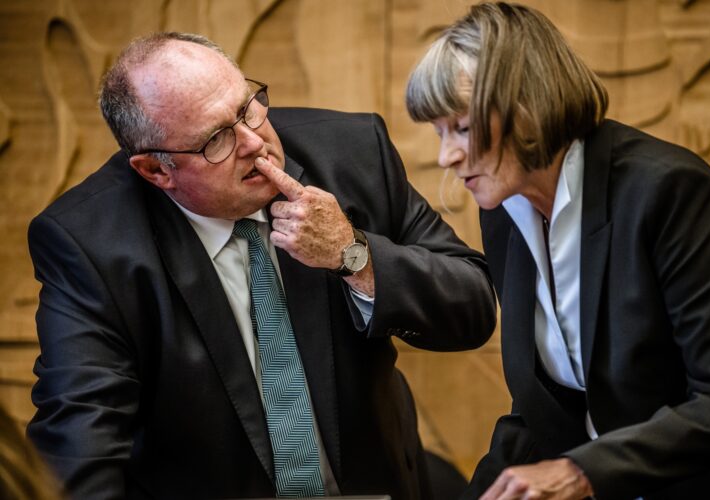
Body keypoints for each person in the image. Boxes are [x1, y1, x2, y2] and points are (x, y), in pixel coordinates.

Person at [27, 32, 496, 499]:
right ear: (156, 170)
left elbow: (472, 308)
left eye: (247, 108)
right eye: (217, 139)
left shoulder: (352, 153)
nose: (256, 143)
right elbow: (79, 449)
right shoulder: (89, 244)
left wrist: (354, 255)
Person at [405, 3, 710, 499]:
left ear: (529, 105)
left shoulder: (670, 192)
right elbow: (543, 407)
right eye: (439, 132)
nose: (447, 156)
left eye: (462, 128)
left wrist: (580, 472)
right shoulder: (504, 210)